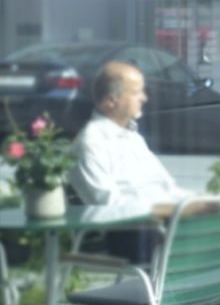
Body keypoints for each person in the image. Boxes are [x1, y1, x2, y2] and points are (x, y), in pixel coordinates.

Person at [73, 61, 187, 207]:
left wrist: (201, 203)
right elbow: (111, 206)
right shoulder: (92, 142)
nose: (144, 98)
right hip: (138, 226)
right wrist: (176, 211)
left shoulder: (132, 137)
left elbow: (169, 189)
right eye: (136, 92)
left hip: (168, 219)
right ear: (112, 100)